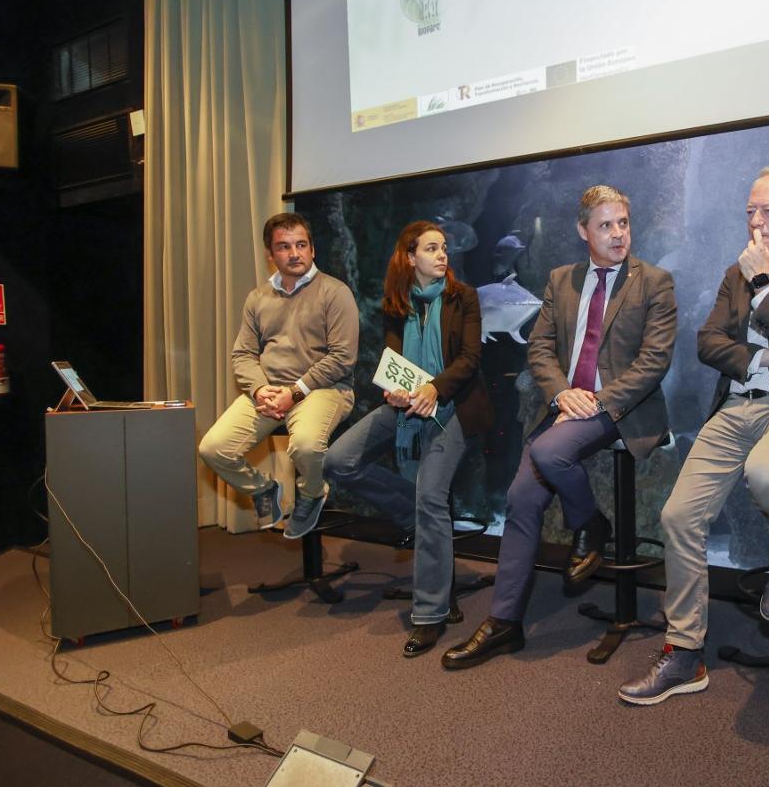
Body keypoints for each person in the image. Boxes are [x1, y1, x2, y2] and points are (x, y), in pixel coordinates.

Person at [618, 165, 769, 705]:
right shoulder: (736, 271)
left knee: (768, 473)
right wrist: (759, 356)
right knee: (677, 516)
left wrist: (764, 286)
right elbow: (707, 342)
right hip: (735, 404)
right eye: (749, 211)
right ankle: (684, 654)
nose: (755, 221)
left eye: (767, 211)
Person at [442, 185, 677, 669]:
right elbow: (540, 349)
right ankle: (505, 621)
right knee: (521, 498)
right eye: (606, 225)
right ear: (582, 230)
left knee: (549, 454)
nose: (618, 234)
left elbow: (654, 363)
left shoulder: (654, 282)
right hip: (566, 406)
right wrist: (560, 393)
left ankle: (591, 525)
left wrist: (597, 401)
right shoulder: (560, 279)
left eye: (623, 223)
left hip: (623, 409)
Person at [324, 221, 492, 657]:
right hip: (407, 407)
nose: (442, 256)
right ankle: (418, 521)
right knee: (339, 460)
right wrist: (396, 389)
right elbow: (393, 360)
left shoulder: (464, 297)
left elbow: (471, 359)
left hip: (454, 407)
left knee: (431, 496)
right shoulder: (397, 304)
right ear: (410, 257)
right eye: (432, 249)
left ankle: (431, 614)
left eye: (444, 249)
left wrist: (434, 388)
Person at [199, 212, 359, 539]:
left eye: (301, 245)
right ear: (271, 255)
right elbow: (243, 355)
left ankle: (312, 495)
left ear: (313, 250)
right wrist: (259, 390)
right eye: (284, 247)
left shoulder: (335, 291)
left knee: (305, 446)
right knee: (213, 449)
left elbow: (343, 357)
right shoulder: (258, 298)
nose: (295, 253)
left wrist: (295, 391)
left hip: (324, 389)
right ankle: (263, 491)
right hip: (269, 392)